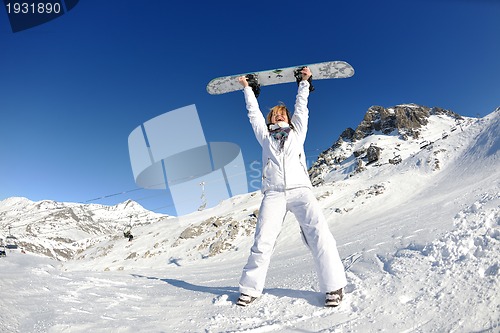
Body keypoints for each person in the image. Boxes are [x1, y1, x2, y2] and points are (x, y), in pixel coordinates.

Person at [236, 67, 347, 307]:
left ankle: (333, 287)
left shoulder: (298, 133)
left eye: (282, 114)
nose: (279, 116)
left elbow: (301, 109)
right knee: (262, 241)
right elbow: (253, 114)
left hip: (301, 190)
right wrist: (247, 89)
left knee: (319, 235)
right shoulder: (264, 136)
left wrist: (304, 84)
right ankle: (250, 289)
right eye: (275, 115)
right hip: (273, 193)